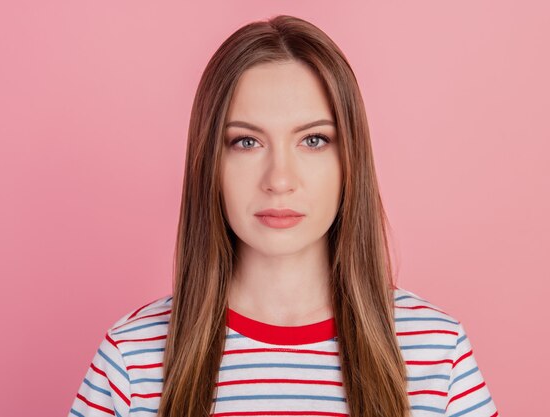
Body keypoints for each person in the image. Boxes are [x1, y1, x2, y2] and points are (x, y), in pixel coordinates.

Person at [68, 15, 498, 417]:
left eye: (313, 140)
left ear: (351, 159)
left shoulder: (438, 354)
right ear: (209, 163)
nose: (279, 179)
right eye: (246, 142)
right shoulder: (132, 358)